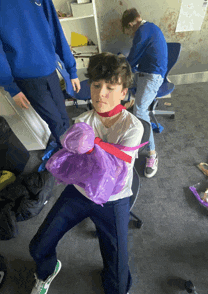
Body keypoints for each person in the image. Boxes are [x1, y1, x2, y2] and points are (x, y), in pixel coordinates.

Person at [28, 52, 144, 294]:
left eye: (110, 87)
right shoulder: (82, 120)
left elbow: (113, 170)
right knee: (39, 245)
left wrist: (92, 145)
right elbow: (73, 165)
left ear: (124, 93)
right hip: (80, 192)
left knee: (119, 282)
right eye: (96, 85)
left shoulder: (133, 126)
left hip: (113, 200)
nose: (101, 93)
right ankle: (47, 270)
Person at [0, 0, 80, 153]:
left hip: (50, 69)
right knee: (56, 123)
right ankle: (71, 157)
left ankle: (70, 151)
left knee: (63, 117)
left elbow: (57, 32)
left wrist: (71, 69)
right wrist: (11, 87)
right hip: (26, 77)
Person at [121, 8, 168, 178]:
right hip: (146, 72)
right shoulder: (149, 28)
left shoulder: (142, 31)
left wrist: (122, 65)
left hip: (153, 76)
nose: (130, 35)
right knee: (127, 93)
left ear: (131, 23)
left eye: (128, 31)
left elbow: (132, 59)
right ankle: (133, 136)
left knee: (140, 110)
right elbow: (135, 59)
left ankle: (152, 155)